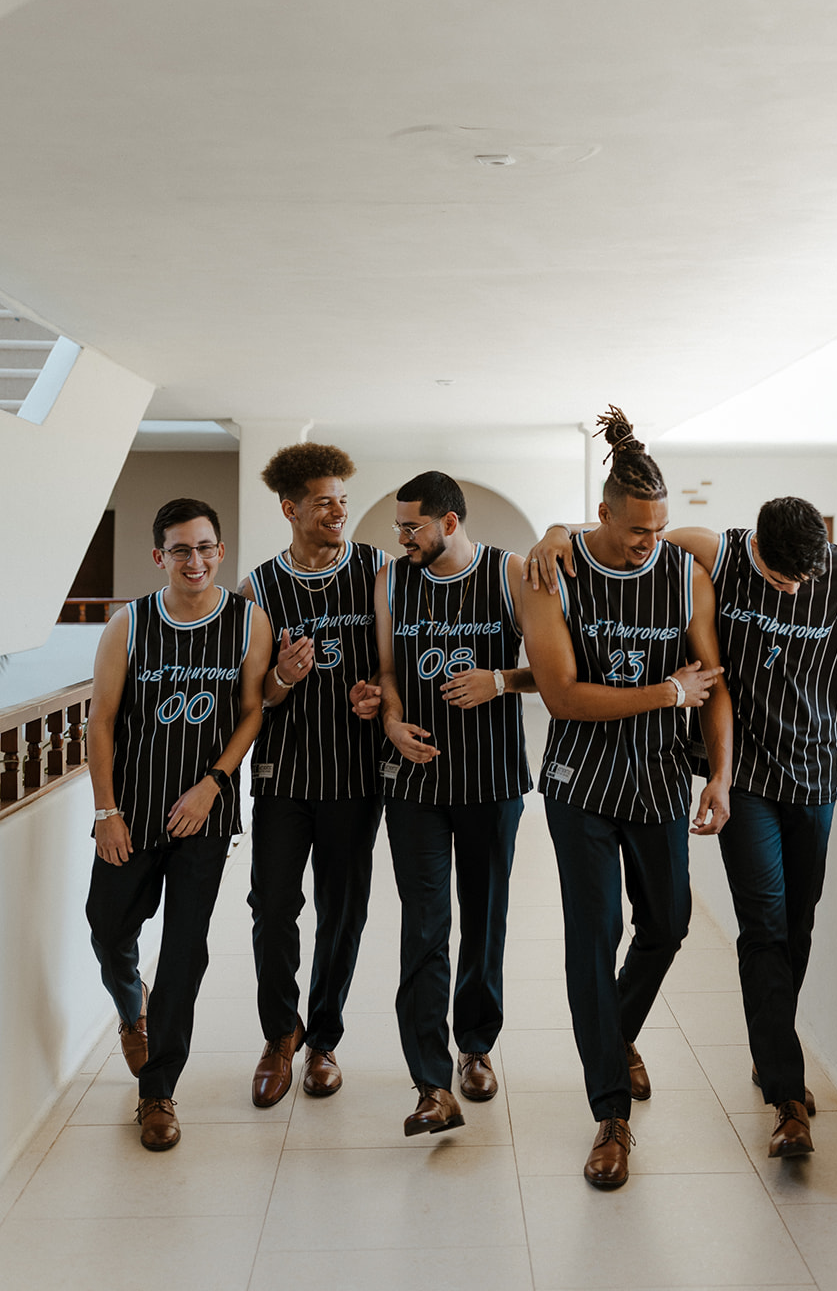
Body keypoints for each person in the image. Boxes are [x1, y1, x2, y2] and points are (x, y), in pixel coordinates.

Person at [527, 492, 837, 1162]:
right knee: (762, 924)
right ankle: (786, 1097)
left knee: (796, 924)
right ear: (755, 547)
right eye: (780, 576)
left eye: (800, 578)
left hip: (815, 771)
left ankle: (755, 1048)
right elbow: (615, 532)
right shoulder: (715, 549)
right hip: (745, 772)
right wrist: (554, 531)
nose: (791, 587)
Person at [520, 408, 733, 1190]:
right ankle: (609, 1113)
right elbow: (565, 697)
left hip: (655, 780)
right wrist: (663, 690)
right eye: (637, 528)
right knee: (593, 933)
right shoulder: (549, 571)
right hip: (579, 781)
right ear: (602, 513)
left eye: (660, 528)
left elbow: (709, 685)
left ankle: (611, 1034)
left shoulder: (684, 573)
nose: (650, 541)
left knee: (667, 924)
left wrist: (719, 774)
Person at [86, 497, 271, 1151]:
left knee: (186, 950)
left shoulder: (249, 622)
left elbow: (251, 712)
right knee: (108, 928)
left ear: (220, 551)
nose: (195, 560)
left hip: (205, 816)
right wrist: (106, 812)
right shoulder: (127, 625)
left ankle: (157, 1093)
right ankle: (130, 1004)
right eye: (180, 549)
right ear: (159, 556)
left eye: (205, 548)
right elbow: (101, 722)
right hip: (131, 814)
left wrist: (213, 783)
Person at [373, 470, 536, 1137]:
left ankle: (476, 1044)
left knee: (485, 918)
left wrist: (498, 680)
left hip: (492, 781)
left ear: (448, 522)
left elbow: (552, 669)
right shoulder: (391, 580)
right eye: (398, 528)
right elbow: (386, 672)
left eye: (411, 526)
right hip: (413, 784)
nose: (402, 538)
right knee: (423, 927)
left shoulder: (509, 574)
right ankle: (430, 1083)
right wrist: (389, 720)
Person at [241, 443, 386, 1108]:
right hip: (282, 777)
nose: (337, 511)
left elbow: (397, 664)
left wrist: (381, 697)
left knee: (343, 912)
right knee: (273, 909)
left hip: (355, 777)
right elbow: (251, 700)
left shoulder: (377, 570)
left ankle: (323, 1040)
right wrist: (281, 678)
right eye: (324, 501)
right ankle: (280, 1037)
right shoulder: (258, 588)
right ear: (290, 508)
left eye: (342, 500)